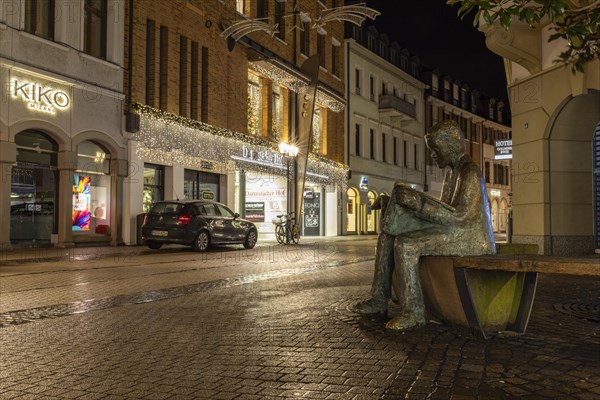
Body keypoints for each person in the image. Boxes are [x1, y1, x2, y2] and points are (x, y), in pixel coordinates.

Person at [354, 120, 496, 330]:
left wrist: (418, 203)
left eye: (436, 149)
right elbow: (443, 210)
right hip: (455, 230)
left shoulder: (470, 172)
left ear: (451, 145)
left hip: (472, 237)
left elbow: (460, 217)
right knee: (388, 235)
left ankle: (414, 311)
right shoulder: (451, 174)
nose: (433, 155)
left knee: (406, 244)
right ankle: (378, 299)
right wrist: (397, 203)